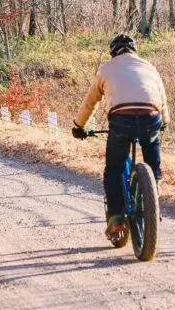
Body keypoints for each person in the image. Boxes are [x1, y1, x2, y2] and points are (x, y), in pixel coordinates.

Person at [72, 34, 169, 237]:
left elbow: (90, 103)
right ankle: (154, 199)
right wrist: (164, 123)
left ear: (113, 51)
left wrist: (78, 126)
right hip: (151, 116)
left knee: (114, 169)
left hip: (121, 120)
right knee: (153, 162)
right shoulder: (149, 67)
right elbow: (162, 100)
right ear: (134, 50)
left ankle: (116, 217)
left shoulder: (106, 69)